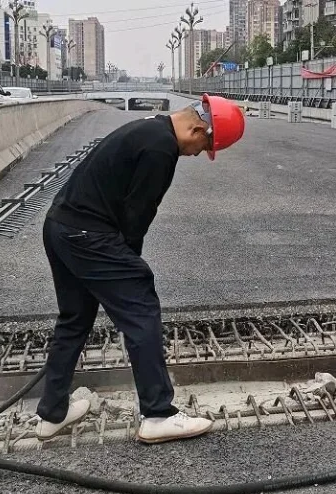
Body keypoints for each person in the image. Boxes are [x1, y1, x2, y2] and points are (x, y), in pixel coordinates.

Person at [34, 95, 245, 444]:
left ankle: (51, 413)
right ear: (198, 129)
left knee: (74, 320)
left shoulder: (150, 129)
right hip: (88, 235)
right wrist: (131, 269)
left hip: (60, 226)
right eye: (205, 146)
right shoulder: (161, 149)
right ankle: (158, 413)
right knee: (141, 308)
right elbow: (137, 216)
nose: (198, 154)